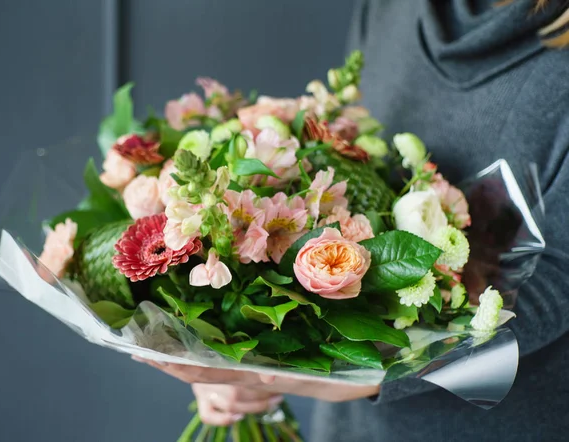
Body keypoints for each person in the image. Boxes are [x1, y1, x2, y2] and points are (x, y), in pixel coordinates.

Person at [136, 1, 569, 440]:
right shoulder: (392, 9)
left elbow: (561, 278)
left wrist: (372, 373)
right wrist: (231, 362)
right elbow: (352, 154)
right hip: (352, 427)